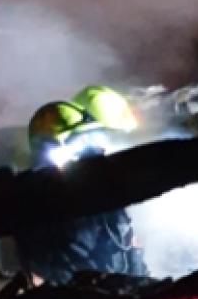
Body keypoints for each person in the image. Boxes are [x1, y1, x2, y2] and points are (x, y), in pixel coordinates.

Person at [12, 89, 148, 285]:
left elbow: (129, 248)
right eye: (78, 143)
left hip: (124, 294)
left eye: (91, 140)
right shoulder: (36, 208)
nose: (90, 152)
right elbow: (46, 274)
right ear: (47, 152)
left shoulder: (103, 191)